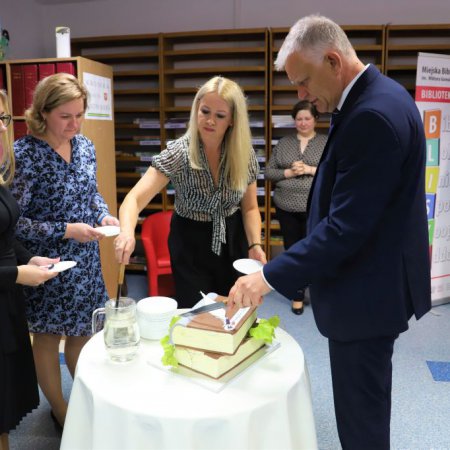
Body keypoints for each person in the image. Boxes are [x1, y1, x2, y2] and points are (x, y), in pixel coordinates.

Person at [227, 14, 431, 450]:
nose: (300, 96)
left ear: (334, 61)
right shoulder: (383, 96)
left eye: (303, 83)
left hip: (365, 295)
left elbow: (345, 228)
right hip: (374, 284)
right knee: (367, 407)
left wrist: (267, 277)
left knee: (362, 422)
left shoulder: (372, 116)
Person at [10, 73, 119, 429]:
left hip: (85, 260)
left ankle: (86, 400)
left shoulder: (85, 146)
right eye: (65, 116)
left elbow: (91, 193)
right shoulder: (24, 155)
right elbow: (14, 223)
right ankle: (60, 409)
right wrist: (66, 230)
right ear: (43, 113)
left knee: (83, 333)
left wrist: (102, 212)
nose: (75, 124)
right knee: (47, 337)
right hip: (44, 262)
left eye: (80, 115)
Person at [115, 76, 266, 307]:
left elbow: (250, 208)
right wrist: (126, 232)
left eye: (220, 115)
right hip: (190, 243)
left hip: (233, 238)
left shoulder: (243, 155)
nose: (210, 121)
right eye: (205, 111)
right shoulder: (179, 153)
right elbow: (133, 199)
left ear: (233, 120)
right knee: (197, 314)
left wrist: (255, 244)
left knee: (235, 310)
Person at [0, 90, 59, 450]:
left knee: (4, 413)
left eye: (3, 117)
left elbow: (4, 233)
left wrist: (27, 259)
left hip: (7, 302)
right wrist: (18, 274)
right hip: (6, 287)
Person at [265, 100, 326, 315]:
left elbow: (333, 173)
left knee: (315, 251)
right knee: (293, 251)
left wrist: (309, 169)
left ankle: (318, 294)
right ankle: (297, 294)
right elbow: (268, 173)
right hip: (286, 206)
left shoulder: (326, 143)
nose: (302, 122)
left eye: (307, 118)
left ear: (315, 119)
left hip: (314, 207)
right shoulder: (284, 143)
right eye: (299, 119)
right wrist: (289, 173)